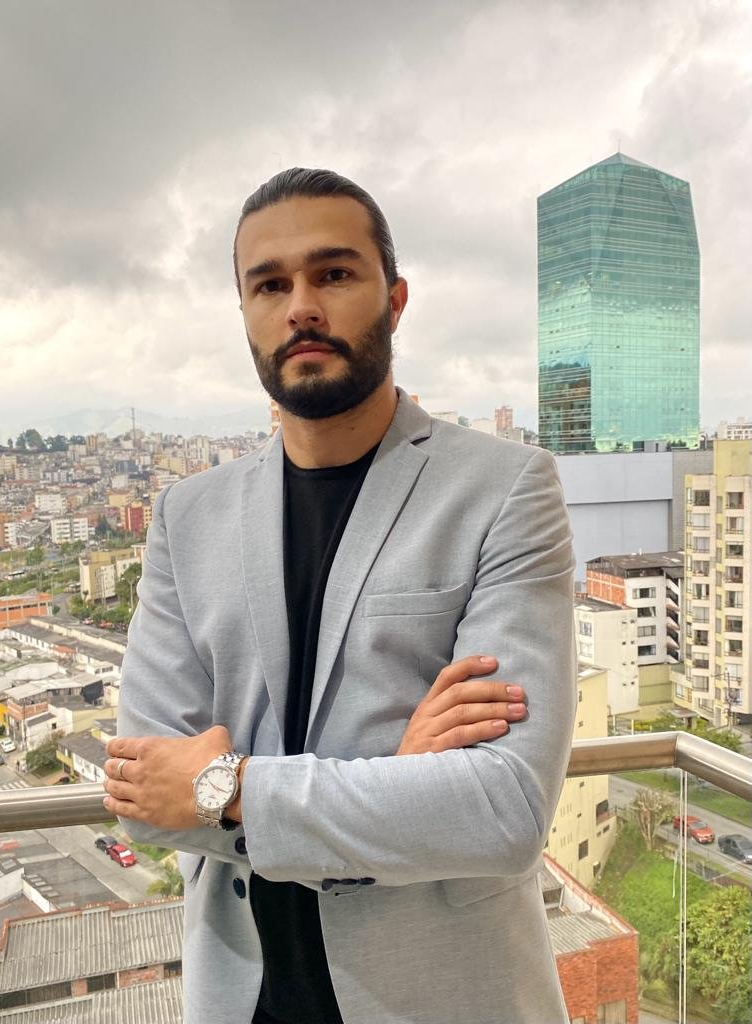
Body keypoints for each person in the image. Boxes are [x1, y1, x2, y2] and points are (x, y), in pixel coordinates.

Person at [104, 168, 576, 1024]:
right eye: (269, 285)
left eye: (333, 274)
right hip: (241, 997)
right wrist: (397, 781)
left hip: (439, 998)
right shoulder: (186, 516)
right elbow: (146, 798)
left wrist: (227, 787)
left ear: (394, 300)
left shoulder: (505, 488)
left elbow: (503, 809)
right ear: (245, 314)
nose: (301, 308)